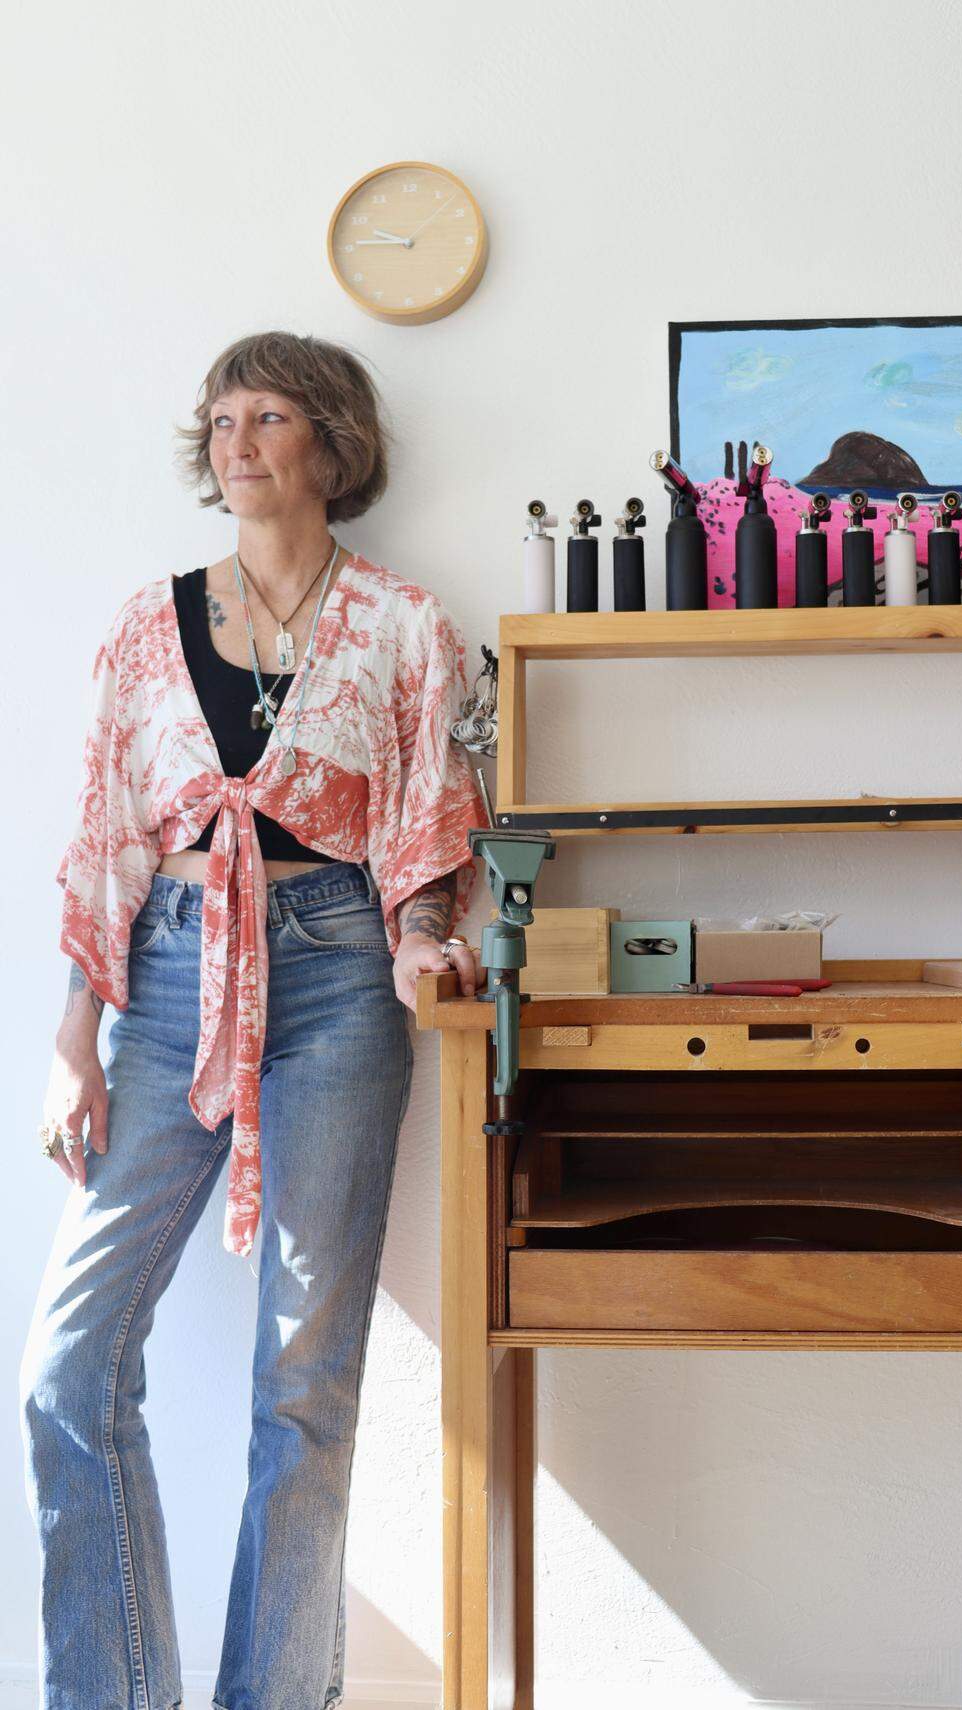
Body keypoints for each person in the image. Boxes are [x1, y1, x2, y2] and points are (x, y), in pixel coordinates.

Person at [19, 330, 488, 1710]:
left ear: (332, 448)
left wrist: (418, 945)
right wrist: (70, 1040)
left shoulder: (405, 625)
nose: (236, 440)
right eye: (220, 418)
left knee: (302, 1381)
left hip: (339, 979)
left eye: (269, 415)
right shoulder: (143, 624)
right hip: (168, 976)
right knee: (66, 1360)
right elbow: (105, 833)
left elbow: (427, 826)